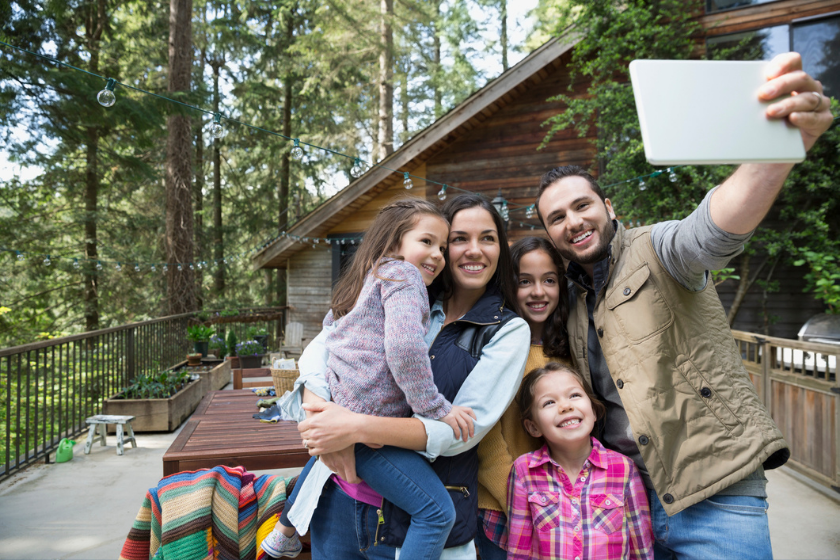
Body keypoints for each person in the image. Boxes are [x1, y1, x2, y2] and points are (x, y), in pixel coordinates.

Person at [533, 52, 834, 559]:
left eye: (582, 205)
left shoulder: (660, 249)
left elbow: (715, 229)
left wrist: (784, 147)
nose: (572, 221)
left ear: (609, 208)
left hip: (717, 494)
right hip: (625, 497)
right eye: (556, 217)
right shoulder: (575, 299)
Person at [283, 193, 530, 559]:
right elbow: (321, 350)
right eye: (459, 238)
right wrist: (319, 412)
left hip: (408, 528)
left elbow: (457, 433)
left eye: (488, 238)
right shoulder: (401, 288)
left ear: (501, 249)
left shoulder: (506, 330)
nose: (472, 250)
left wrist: (352, 428)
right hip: (338, 500)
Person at [474, 237, 573, 559]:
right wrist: (522, 503)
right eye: (525, 282)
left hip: (568, 508)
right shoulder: (496, 346)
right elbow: (487, 441)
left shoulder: (572, 349)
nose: (539, 292)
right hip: (504, 504)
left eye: (549, 280)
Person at [506, 362, 653, 560]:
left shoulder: (624, 469)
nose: (566, 406)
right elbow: (518, 551)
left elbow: (641, 547)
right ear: (533, 427)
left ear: (593, 411)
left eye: (574, 395)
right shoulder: (524, 471)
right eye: (549, 402)